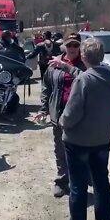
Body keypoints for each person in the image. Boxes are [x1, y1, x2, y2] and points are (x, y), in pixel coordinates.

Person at [59, 38, 110, 220]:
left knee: (78, 188)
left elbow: (71, 114)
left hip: (78, 142)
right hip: (102, 139)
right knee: (102, 184)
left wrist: (62, 122)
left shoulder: (83, 80)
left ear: (83, 56)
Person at [34, 33, 86, 197]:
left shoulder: (85, 64)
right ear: (64, 46)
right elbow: (46, 87)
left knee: (79, 150)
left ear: (80, 47)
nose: (72, 49)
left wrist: (67, 66)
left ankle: (79, 182)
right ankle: (62, 181)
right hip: (59, 112)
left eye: (75, 45)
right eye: (69, 45)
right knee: (60, 149)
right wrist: (43, 109)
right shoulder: (53, 64)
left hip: (79, 116)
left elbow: (89, 80)